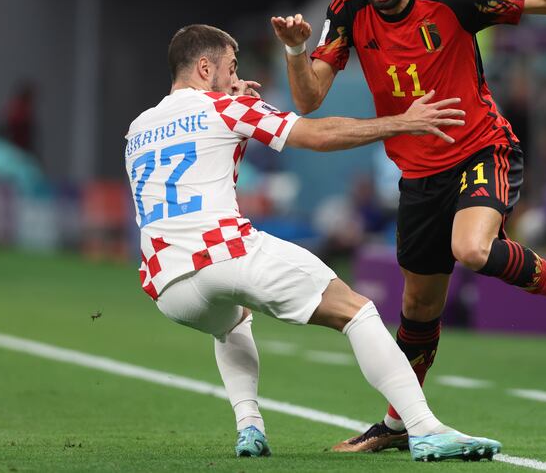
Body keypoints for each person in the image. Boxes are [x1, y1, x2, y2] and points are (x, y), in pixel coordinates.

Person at [271, 0, 546, 453]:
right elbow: (308, 99)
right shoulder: (346, 10)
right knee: (417, 310)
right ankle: (397, 425)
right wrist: (298, 51)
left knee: (471, 248)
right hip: (418, 175)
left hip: (482, 148)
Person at [124, 24, 502, 461]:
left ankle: (249, 427)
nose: (236, 76)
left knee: (232, 320)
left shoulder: (139, 127)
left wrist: (234, 98)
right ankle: (424, 428)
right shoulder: (226, 109)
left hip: (168, 284)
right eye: (230, 68)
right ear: (204, 67)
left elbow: (198, 148)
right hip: (223, 251)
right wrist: (402, 123)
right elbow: (317, 135)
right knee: (356, 311)